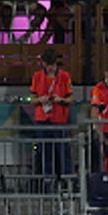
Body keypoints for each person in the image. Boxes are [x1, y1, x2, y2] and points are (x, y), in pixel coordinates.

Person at [29, 48, 73, 180]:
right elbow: (32, 99)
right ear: (43, 64)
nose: (51, 68)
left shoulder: (65, 76)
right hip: (42, 120)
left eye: (53, 65)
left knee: (63, 152)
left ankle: (66, 181)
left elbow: (71, 99)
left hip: (59, 120)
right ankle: (47, 181)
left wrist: (62, 100)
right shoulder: (37, 76)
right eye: (48, 65)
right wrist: (40, 100)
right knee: (44, 152)